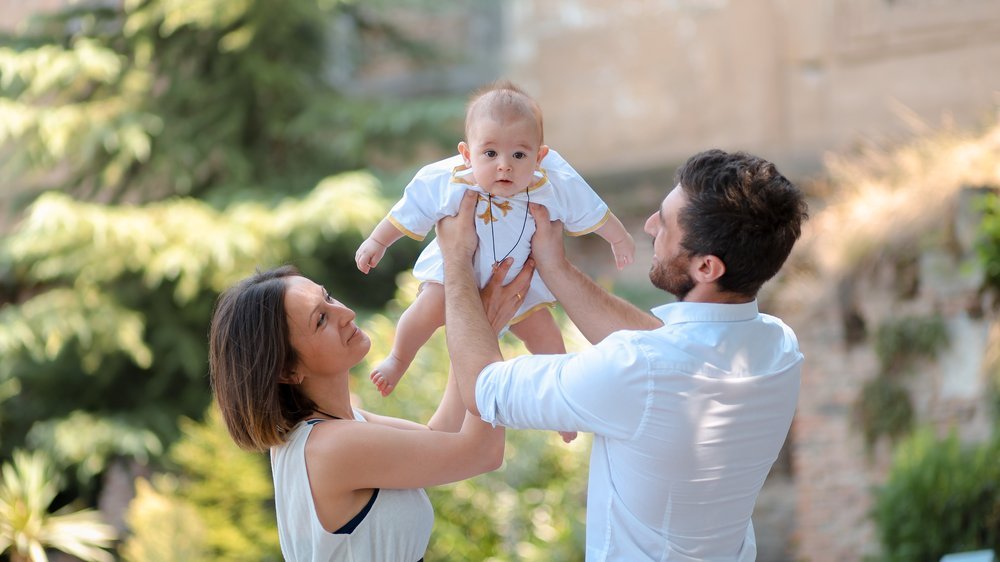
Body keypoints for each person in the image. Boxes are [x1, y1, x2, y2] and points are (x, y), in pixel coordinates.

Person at [438, 148, 809, 561]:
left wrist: (455, 260)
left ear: (707, 268)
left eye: (665, 223)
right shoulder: (779, 347)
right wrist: (554, 268)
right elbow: (667, 354)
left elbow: (480, 388)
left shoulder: (639, 370)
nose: (650, 226)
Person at [207, 259, 532, 561]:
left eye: (329, 298)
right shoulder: (330, 446)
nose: (344, 313)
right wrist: (477, 325)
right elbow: (481, 453)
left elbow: (443, 436)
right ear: (288, 371)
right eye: (321, 319)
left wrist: (479, 326)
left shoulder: (332, 430)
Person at [355, 80, 635, 401]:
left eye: (519, 154)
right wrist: (377, 241)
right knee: (424, 310)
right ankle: (398, 359)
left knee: (547, 338)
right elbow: (413, 205)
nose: (504, 164)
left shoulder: (551, 184)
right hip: (455, 279)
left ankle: (562, 398)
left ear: (540, 156)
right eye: (490, 153)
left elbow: (587, 204)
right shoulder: (453, 180)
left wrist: (619, 237)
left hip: (519, 285)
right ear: (466, 154)